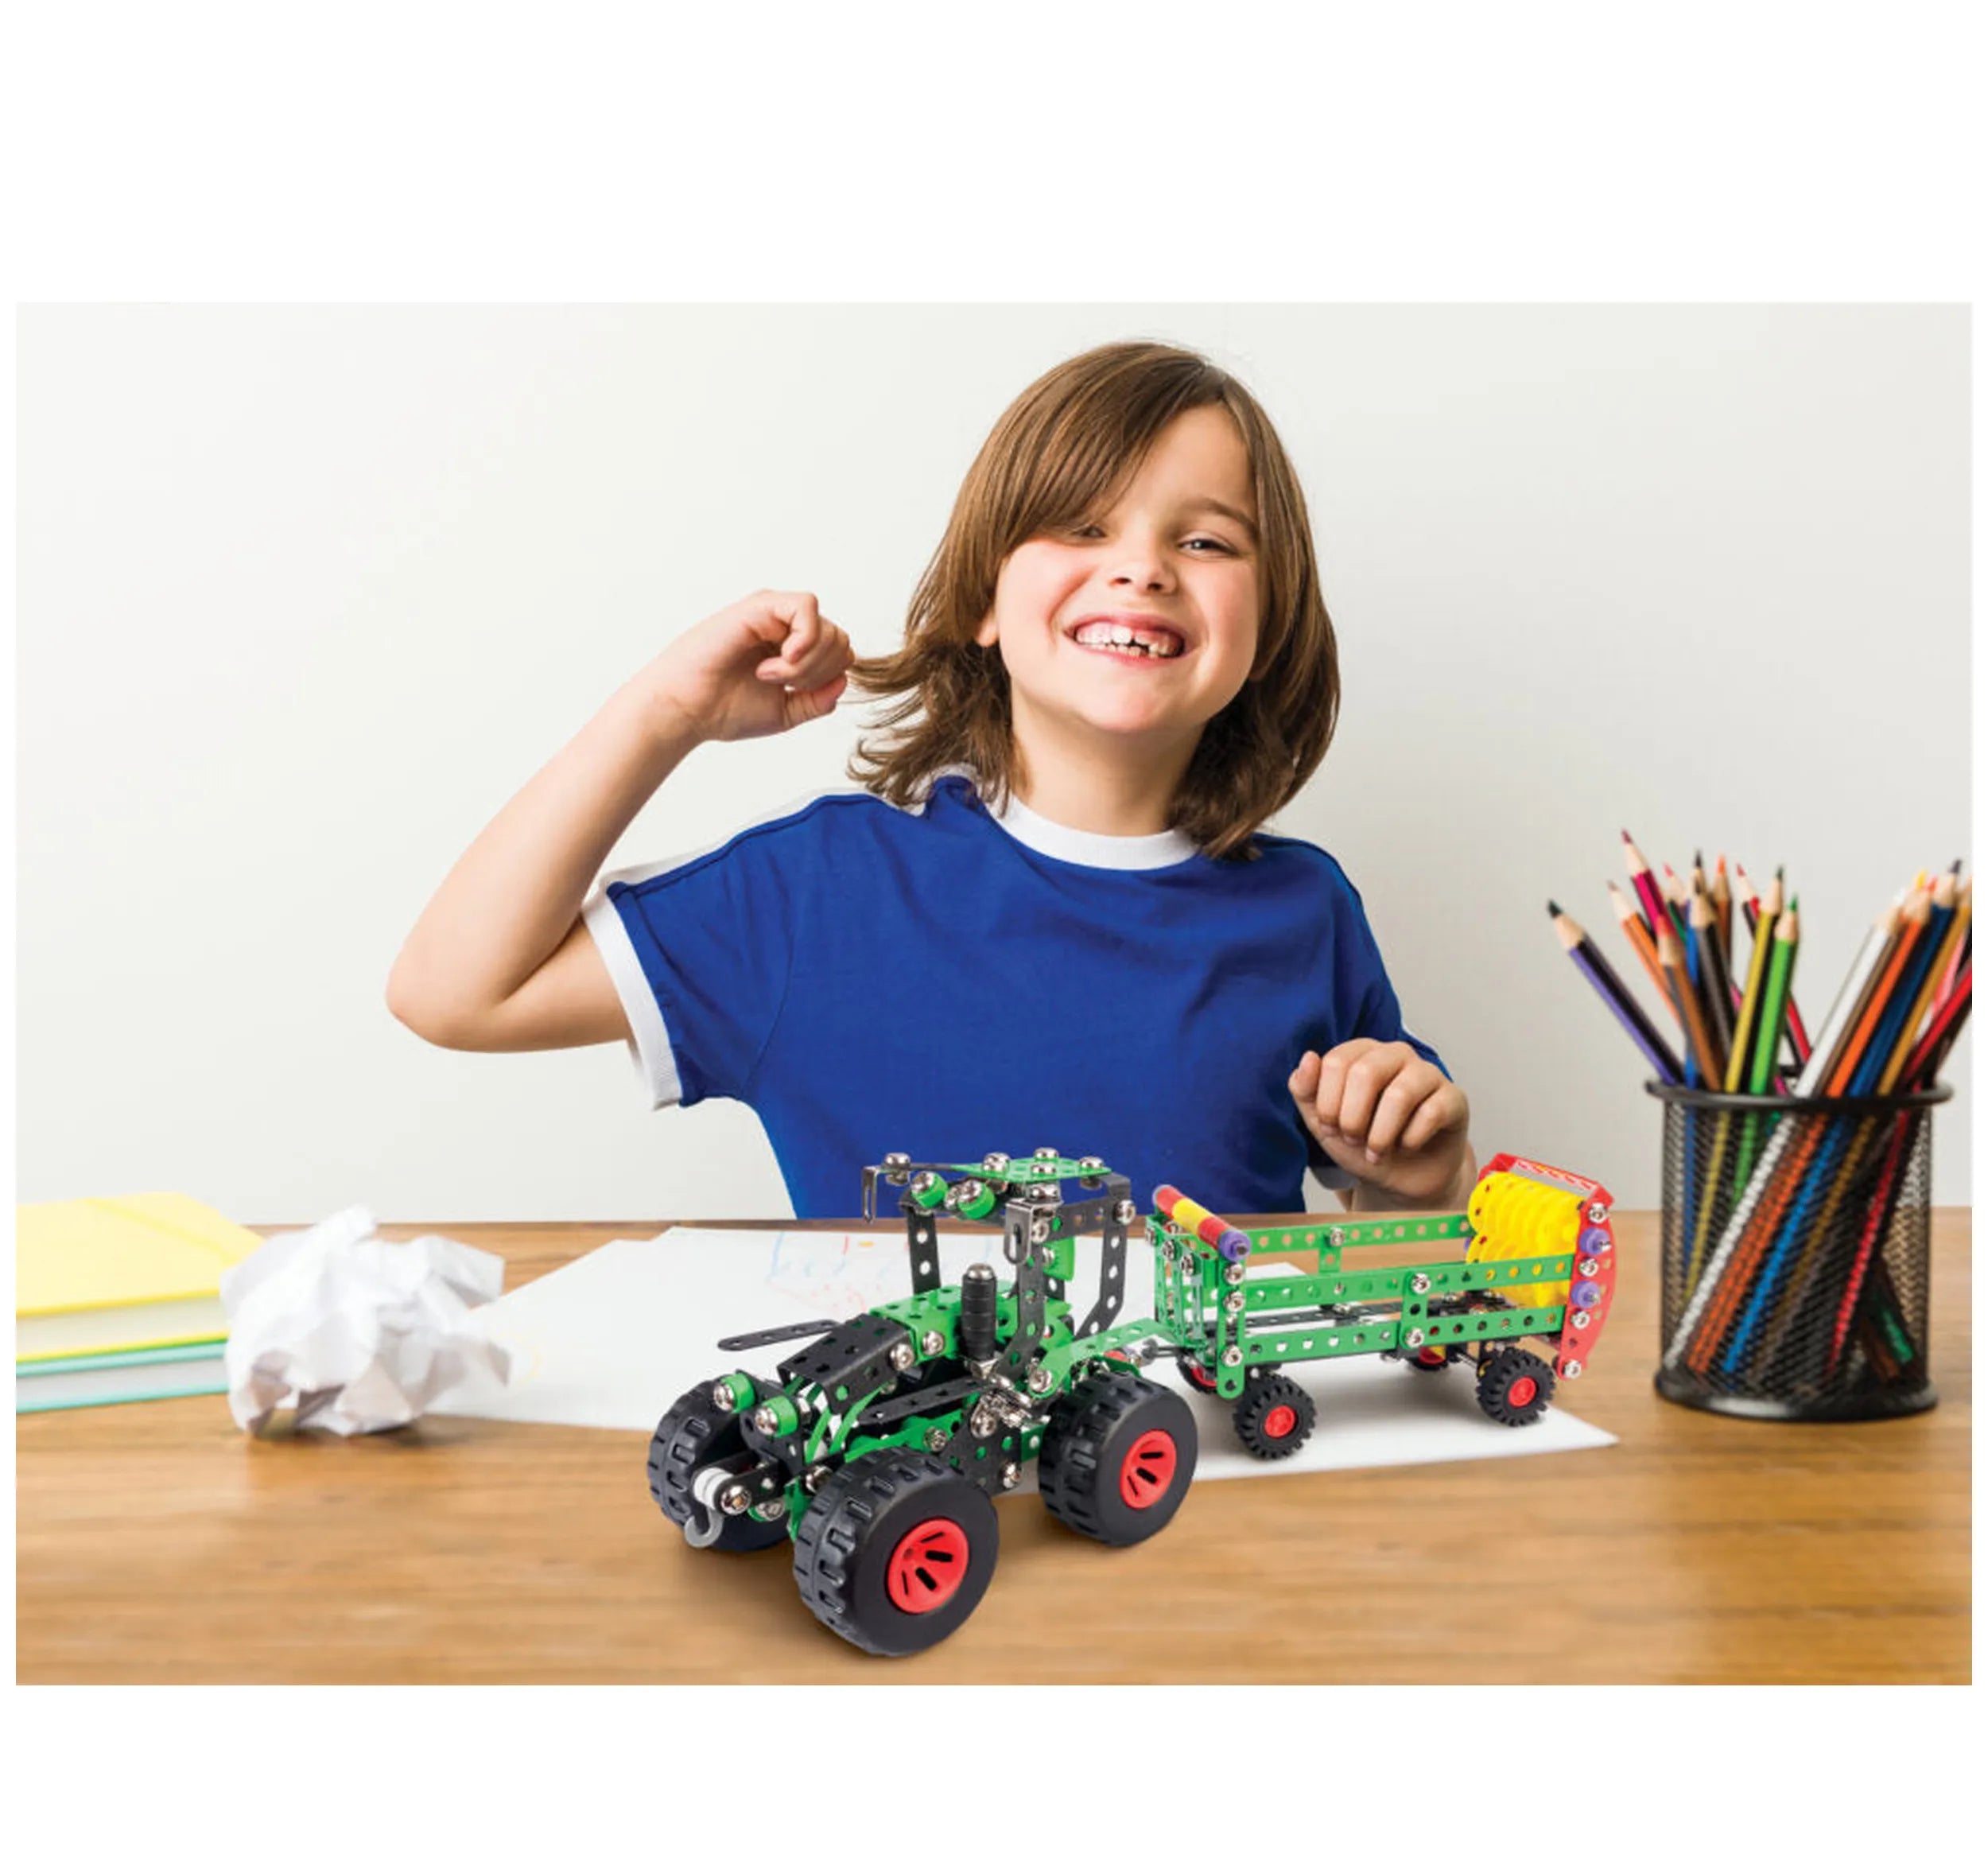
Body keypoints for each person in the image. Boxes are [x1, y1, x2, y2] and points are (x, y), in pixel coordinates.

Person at [387, 340, 1474, 1218]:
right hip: (915, 1476)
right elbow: (452, 994)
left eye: (1206, 542)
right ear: (982, 605)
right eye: (1083, 525)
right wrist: (665, 717)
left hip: (1223, 1476)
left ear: (1267, 625)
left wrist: (1413, 1177)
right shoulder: (820, 892)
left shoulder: (1307, 913)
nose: (1142, 566)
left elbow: (1388, 1260)